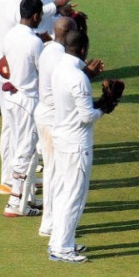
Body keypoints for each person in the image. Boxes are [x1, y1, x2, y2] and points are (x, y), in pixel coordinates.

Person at [35, 18, 103, 237]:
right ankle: (51, 226)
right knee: (56, 175)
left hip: (52, 116)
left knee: (57, 174)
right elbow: (74, 90)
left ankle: (53, 224)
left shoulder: (52, 52)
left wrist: (87, 75)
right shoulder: (58, 57)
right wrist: (102, 105)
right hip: (55, 118)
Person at [48, 30, 109, 263]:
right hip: (76, 143)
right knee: (75, 196)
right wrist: (105, 106)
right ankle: (62, 248)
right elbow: (87, 116)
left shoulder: (61, 68)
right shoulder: (78, 77)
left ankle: (60, 241)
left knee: (65, 192)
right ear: (83, 49)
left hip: (62, 137)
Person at [0, 0, 37, 195]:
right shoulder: (19, 0)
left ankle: (11, 178)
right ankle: (13, 182)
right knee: (19, 128)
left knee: (11, 126)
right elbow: (29, 30)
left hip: (4, 66)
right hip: (14, 69)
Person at [2, 0, 44, 217]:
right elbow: (42, 69)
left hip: (12, 98)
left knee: (23, 148)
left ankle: (27, 199)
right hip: (28, 100)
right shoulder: (34, 42)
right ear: (36, 15)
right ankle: (14, 202)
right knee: (26, 151)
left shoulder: (11, 35)